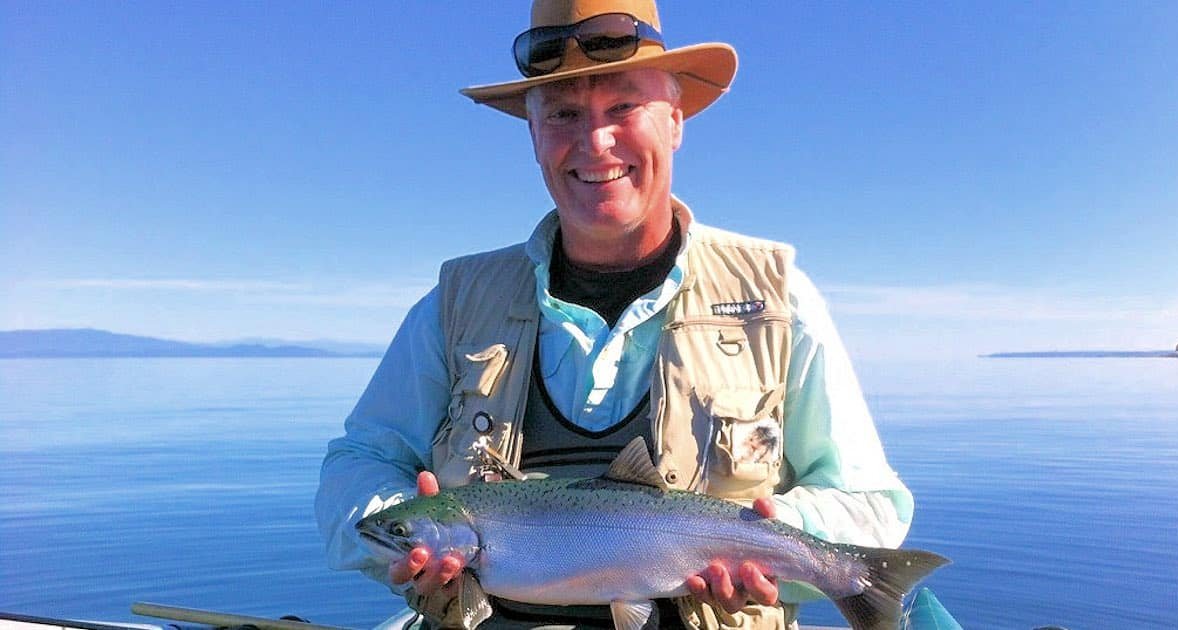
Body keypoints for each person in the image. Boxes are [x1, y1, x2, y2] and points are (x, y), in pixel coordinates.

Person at [315, 1, 914, 628]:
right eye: (565, 114)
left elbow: (870, 501)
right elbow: (358, 464)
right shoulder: (454, 303)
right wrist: (408, 527)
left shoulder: (780, 299)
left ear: (675, 121)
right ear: (534, 135)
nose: (595, 142)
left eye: (623, 108)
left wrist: (766, 541)